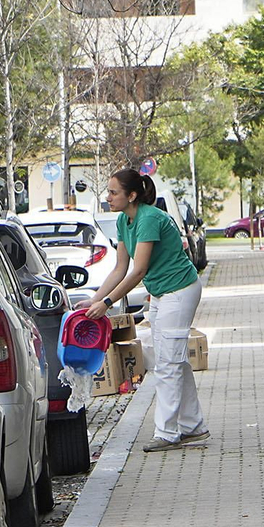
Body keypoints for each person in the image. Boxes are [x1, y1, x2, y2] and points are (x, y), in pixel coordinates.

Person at [84, 169, 208, 452]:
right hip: (162, 293)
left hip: (179, 290)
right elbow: (120, 268)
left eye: (114, 192)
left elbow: (138, 271)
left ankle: (167, 433)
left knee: (167, 363)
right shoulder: (122, 220)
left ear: (132, 195)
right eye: (109, 191)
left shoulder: (150, 218)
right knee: (170, 358)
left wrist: (105, 306)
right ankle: (193, 426)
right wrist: (96, 299)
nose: (108, 197)